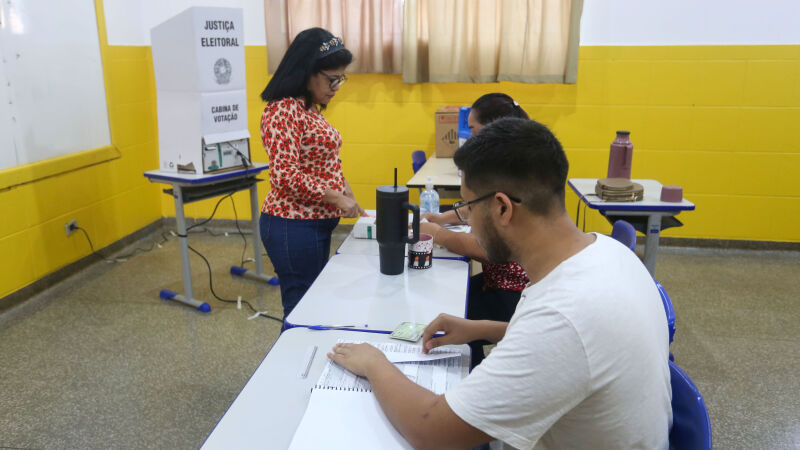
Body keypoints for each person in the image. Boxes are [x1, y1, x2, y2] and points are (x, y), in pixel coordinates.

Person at [328, 118, 672, 449]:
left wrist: (374, 363)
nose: (467, 221)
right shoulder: (609, 252)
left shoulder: (562, 316)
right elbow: (583, 344)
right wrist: (482, 328)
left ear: (502, 208)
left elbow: (429, 429)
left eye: (468, 209)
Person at [259, 28, 363, 321]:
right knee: (301, 310)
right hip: (291, 224)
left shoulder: (310, 108)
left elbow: (325, 159)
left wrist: (346, 189)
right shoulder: (283, 110)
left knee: (312, 304)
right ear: (307, 71)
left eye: (341, 79)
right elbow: (285, 175)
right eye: (332, 79)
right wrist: (334, 197)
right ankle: (288, 366)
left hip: (312, 223)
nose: (337, 87)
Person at [421, 93, 530, 367]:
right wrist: (442, 219)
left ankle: (470, 372)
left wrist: (437, 233)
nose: (469, 135)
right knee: (443, 297)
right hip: (500, 282)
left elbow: (490, 250)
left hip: (513, 293)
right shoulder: (507, 164)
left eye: (474, 128)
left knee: (439, 320)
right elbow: (476, 207)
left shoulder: (511, 174)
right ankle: (474, 365)